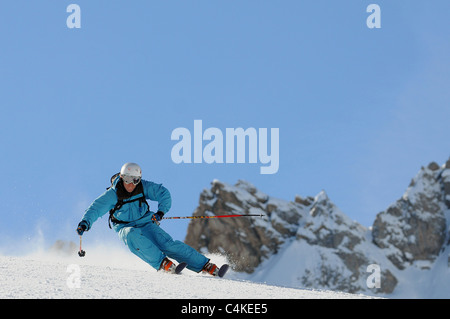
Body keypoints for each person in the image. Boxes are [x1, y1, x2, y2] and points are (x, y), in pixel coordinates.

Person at [76, 162, 221, 276]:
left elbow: (163, 193)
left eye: (135, 180)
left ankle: (204, 265)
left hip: (146, 222)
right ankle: (162, 263)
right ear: (121, 178)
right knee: (132, 234)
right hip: (124, 226)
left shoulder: (143, 187)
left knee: (167, 244)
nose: (131, 184)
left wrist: (161, 212)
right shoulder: (113, 194)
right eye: (127, 179)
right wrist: (85, 223)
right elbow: (95, 208)